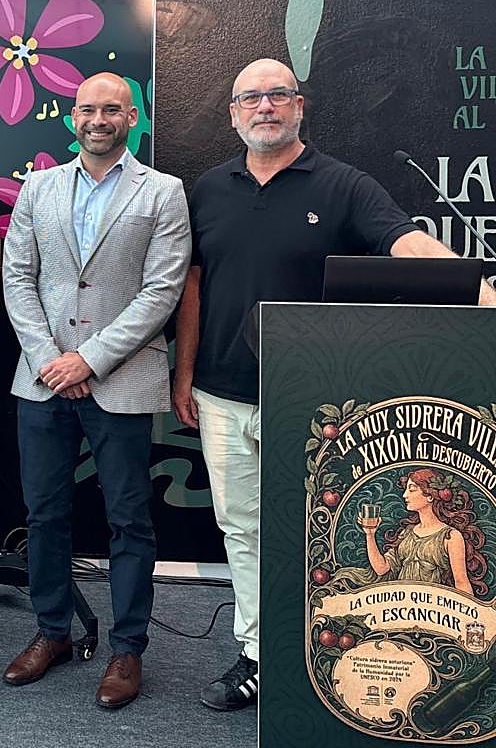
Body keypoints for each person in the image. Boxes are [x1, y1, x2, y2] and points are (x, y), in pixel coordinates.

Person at [171, 57, 496, 712]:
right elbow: (194, 284)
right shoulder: (207, 189)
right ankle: (258, 655)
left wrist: (479, 291)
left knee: (318, 537)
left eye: (279, 95)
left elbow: (403, 242)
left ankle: (322, 657)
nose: (265, 107)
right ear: (234, 114)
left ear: (300, 106)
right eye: (251, 98)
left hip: (310, 401)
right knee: (241, 530)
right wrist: (183, 371)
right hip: (220, 393)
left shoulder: (343, 184)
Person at [1, 72, 190, 708]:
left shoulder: (163, 192)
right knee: (44, 514)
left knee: (130, 521)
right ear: (71, 116)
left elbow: (161, 292)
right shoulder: (39, 187)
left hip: (120, 382)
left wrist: (89, 359)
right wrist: (53, 359)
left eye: (112, 109)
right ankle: (51, 631)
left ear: (131, 116)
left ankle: (127, 648)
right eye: (88, 109)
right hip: (43, 381)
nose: (99, 118)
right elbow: (17, 281)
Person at [359, 468, 487, 596]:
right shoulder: (407, 533)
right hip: (400, 606)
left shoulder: (451, 536)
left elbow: (461, 583)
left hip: (432, 610)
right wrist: (370, 534)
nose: (405, 495)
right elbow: (382, 568)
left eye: (412, 489)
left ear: (430, 496)